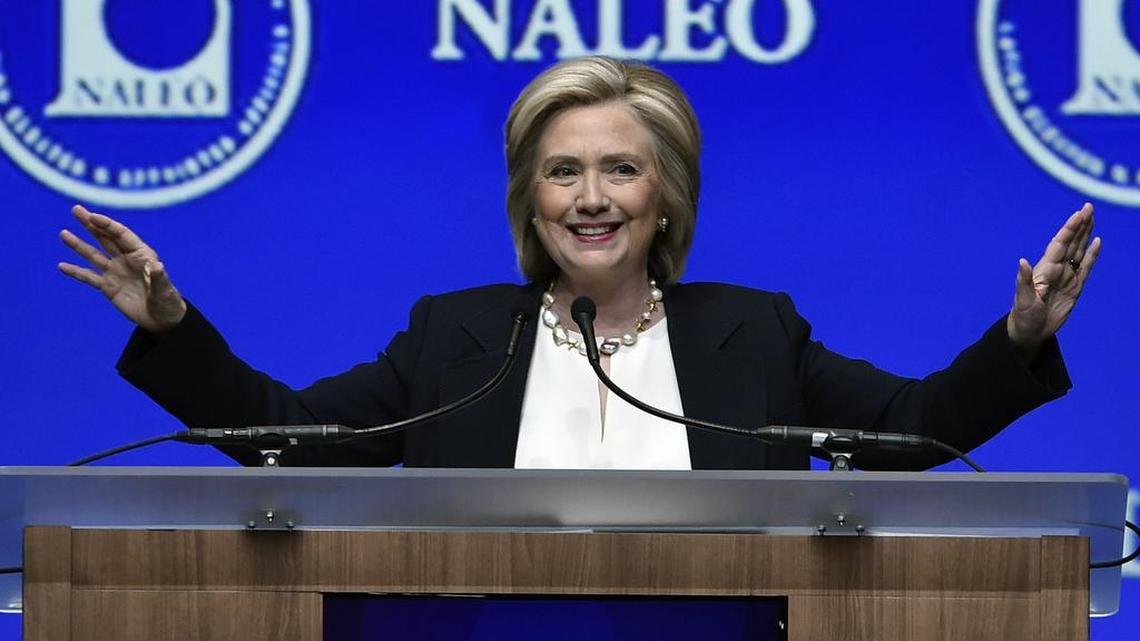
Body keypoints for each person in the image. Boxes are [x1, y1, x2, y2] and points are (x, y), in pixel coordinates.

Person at [58, 56, 1100, 470]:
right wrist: (169, 327)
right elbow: (285, 435)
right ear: (531, 197)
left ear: (665, 196)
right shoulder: (454, 335)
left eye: (619, 170)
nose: (591, 197)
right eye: (562, 171)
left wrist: (1017, 341)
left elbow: (910, 431)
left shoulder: (754, 332)